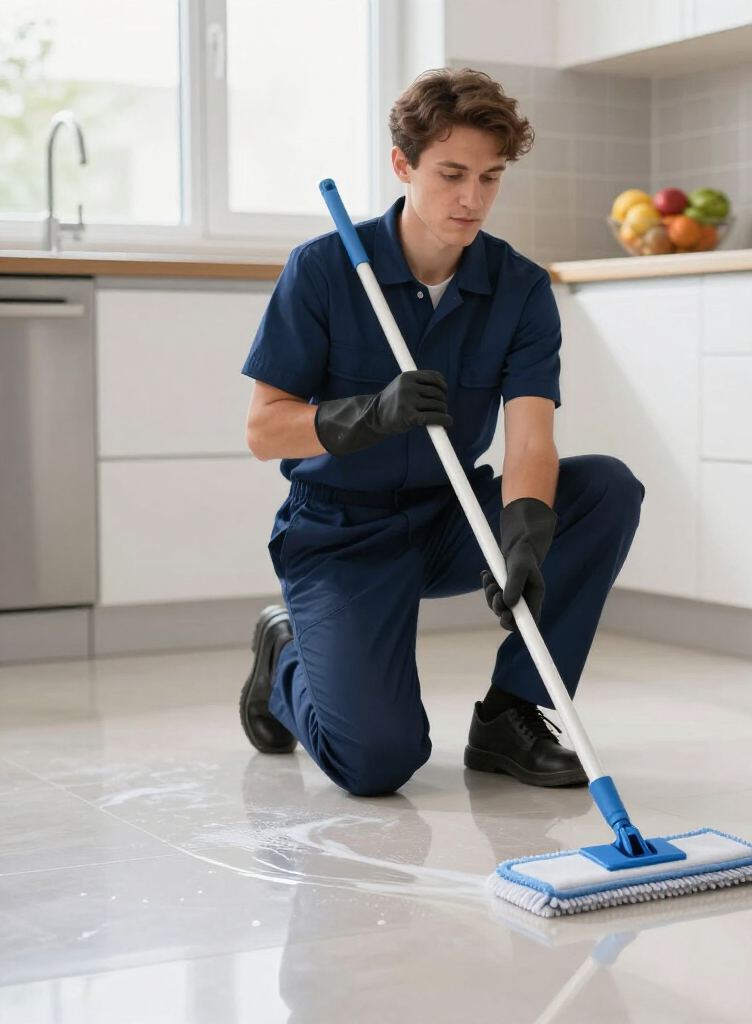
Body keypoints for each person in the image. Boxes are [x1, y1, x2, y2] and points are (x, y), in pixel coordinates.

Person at [238, 67, 644, 797]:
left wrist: (523, 529)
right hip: (339, 535)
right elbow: (265, 431)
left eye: (490, 177)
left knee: (606, 487)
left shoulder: (518, 286)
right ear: (403, 165)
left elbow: (529, 440)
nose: (472, 199)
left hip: (448, 515)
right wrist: (366, 415)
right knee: (377, 763)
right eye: (452, 173)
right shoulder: (324, 270)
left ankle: (513, 713)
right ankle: (285, 655)